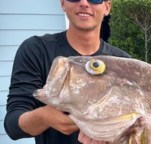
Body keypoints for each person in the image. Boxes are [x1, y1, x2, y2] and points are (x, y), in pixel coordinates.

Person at [4, 0, 130, 144]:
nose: (84, 3)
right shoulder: (36, 50)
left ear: (107, 7)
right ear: (63, 3)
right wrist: (43, 117)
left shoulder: (123, 63)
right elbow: (12, 125)